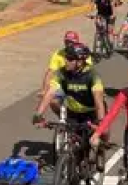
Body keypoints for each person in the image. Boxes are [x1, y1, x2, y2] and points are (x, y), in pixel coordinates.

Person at [34, 42, 108, 171]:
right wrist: (38, 114)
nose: (65, 61)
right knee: (76, 147)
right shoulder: (62, 73)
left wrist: (101, 124)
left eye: (69, 59)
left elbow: (98, 102)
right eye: (65, 58)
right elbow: (50, 93)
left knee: (101, 134)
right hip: (73, 113)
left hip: (92, 113)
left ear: (79, 62)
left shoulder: (93, 76)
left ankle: (100, 151)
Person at [40, 31, 92, 104]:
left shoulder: (82, 52)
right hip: (63, 84)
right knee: (53, 102)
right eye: (67, 42)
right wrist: (44, 90)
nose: (69, 44)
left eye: (71, 42)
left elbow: (88, 70)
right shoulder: (58, 54)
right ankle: (61, 114)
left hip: (80, 83)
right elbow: (50, 72)